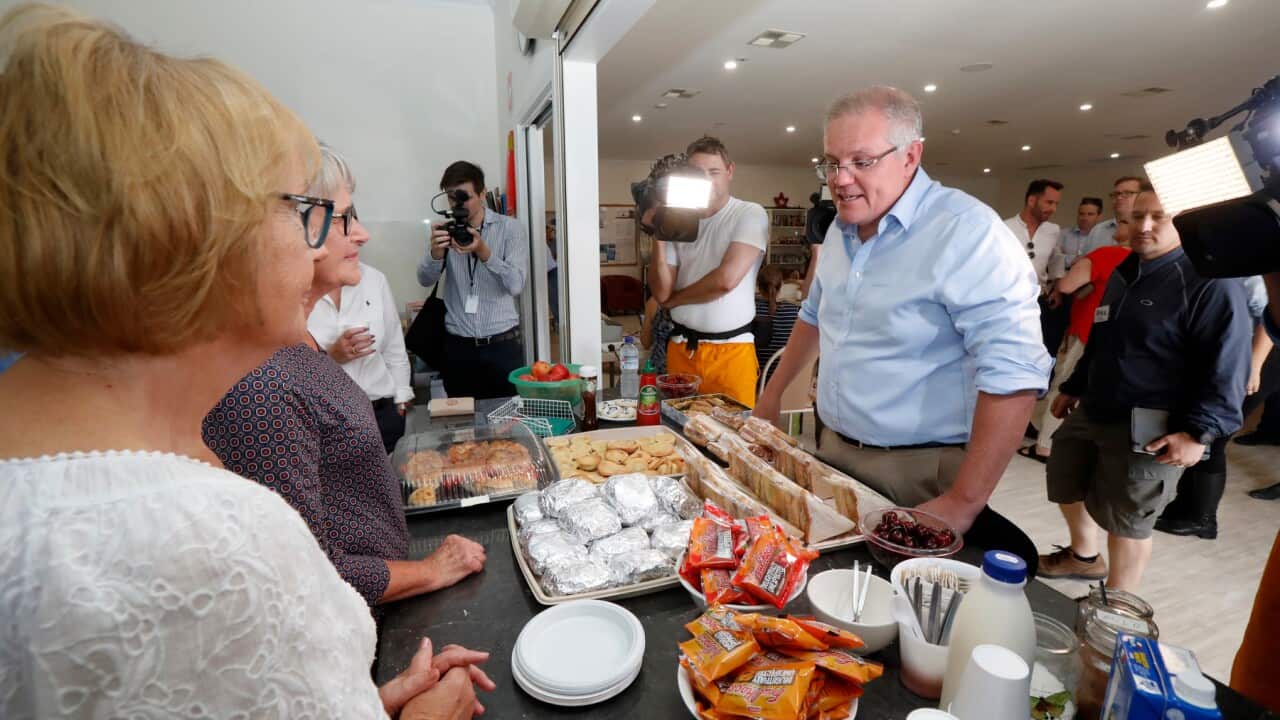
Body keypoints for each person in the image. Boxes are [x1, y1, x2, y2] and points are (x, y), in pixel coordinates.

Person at [0, 5, 489, 717]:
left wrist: (367, 701)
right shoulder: (216, 540)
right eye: (306, 214)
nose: (323, 242)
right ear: (198, 238)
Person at [755, 86, 1052, 570]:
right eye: (830, 163)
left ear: (911, 155)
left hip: (920, 469)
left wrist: (962, 503)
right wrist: (771, 397)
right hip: (833, 448)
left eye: (861, 161)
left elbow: (1015, 375)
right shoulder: (840, 228)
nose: (840, 179)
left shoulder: (968, 232)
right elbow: (812, 316)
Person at [205, 146, 487, 614]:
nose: (363, 233)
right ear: (285, 232)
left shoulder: (293, 345)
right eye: (343, 218)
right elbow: (302, 569)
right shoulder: (261, 380)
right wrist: (432, 570)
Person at [1039, 188, 1251, 590]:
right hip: (1098, 406)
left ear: (1184, 222)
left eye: (1159, 217)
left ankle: (1119, 604)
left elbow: (1227, 366)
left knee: (1129, 520)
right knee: (1064, 473)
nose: (1145, 226)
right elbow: (1102, 337)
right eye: (1136, 217)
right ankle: (1083, 556)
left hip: (1152, 424)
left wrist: (1197, 433)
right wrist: (1074, 385)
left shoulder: (1209, 283)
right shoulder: (1124, 271)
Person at [307, 148, 414, 454]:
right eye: (343, 219)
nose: (363, 235)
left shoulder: (373, 279)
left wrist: (400, 396)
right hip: (332, 423)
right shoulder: (277, 317)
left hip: (382, 411)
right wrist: (332, 356)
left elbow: (395, 346)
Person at [648, 136, 769, 407]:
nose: (707, 180)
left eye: (714, 172)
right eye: (697, 174)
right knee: (680, 434)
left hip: (732, 350)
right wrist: (658, 231)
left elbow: (725, 280)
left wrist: (674, 301)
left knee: (734, 439)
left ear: (730, 171)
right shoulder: (677, 220)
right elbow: (661, 290)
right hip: (681, 347)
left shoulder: (749, 213)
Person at [1154, 274, 1274, 535]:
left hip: (1258, 356)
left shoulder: (1254, 267)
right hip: (1232, 353)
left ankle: (1203, 519)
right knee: (1198, 426)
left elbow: (1269, 316)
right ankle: (1185, 506)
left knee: (1213, 434)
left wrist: (1253, 365)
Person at [1021, 211, 1133, 462]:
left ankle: (1045, 447)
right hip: (1117, 337)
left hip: (1087, 330)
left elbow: (1066, 285)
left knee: (1065, 386)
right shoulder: (1146, 262)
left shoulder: (1106, 255)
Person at [417, 161, 528, 399]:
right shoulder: (446, 231)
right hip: (458, 347)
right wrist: (435, 254)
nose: (457, 205)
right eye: (451, 198)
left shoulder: (510, 229)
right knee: (461, 424)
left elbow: (516, 285)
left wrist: (484, 252)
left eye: (463, 197)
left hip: (502, 346)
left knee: (506, 423)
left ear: (482, 194)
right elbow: (424, 280)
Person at [1005, 180, 1064, 361]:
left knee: (1036, 352)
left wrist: (1058, 289)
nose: (1053, 209)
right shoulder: (1005, 227)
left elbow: (1056, 260)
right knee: (1009, 352)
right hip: (1009, 303)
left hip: (1039, 302)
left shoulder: (1053, 231)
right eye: (1049, 202)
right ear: (1032, 201)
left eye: (1056, 204)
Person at [754, 265, 801, 385]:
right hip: (782, 380)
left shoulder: (750, 309)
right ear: (781, 285)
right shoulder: (793, 310)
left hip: (756, 379)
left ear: (758, 285)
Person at [640, 294, 674, 374]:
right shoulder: (694, 299)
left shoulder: (654, 302)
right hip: (689, 367)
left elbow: (646, 343)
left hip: (660, 370)